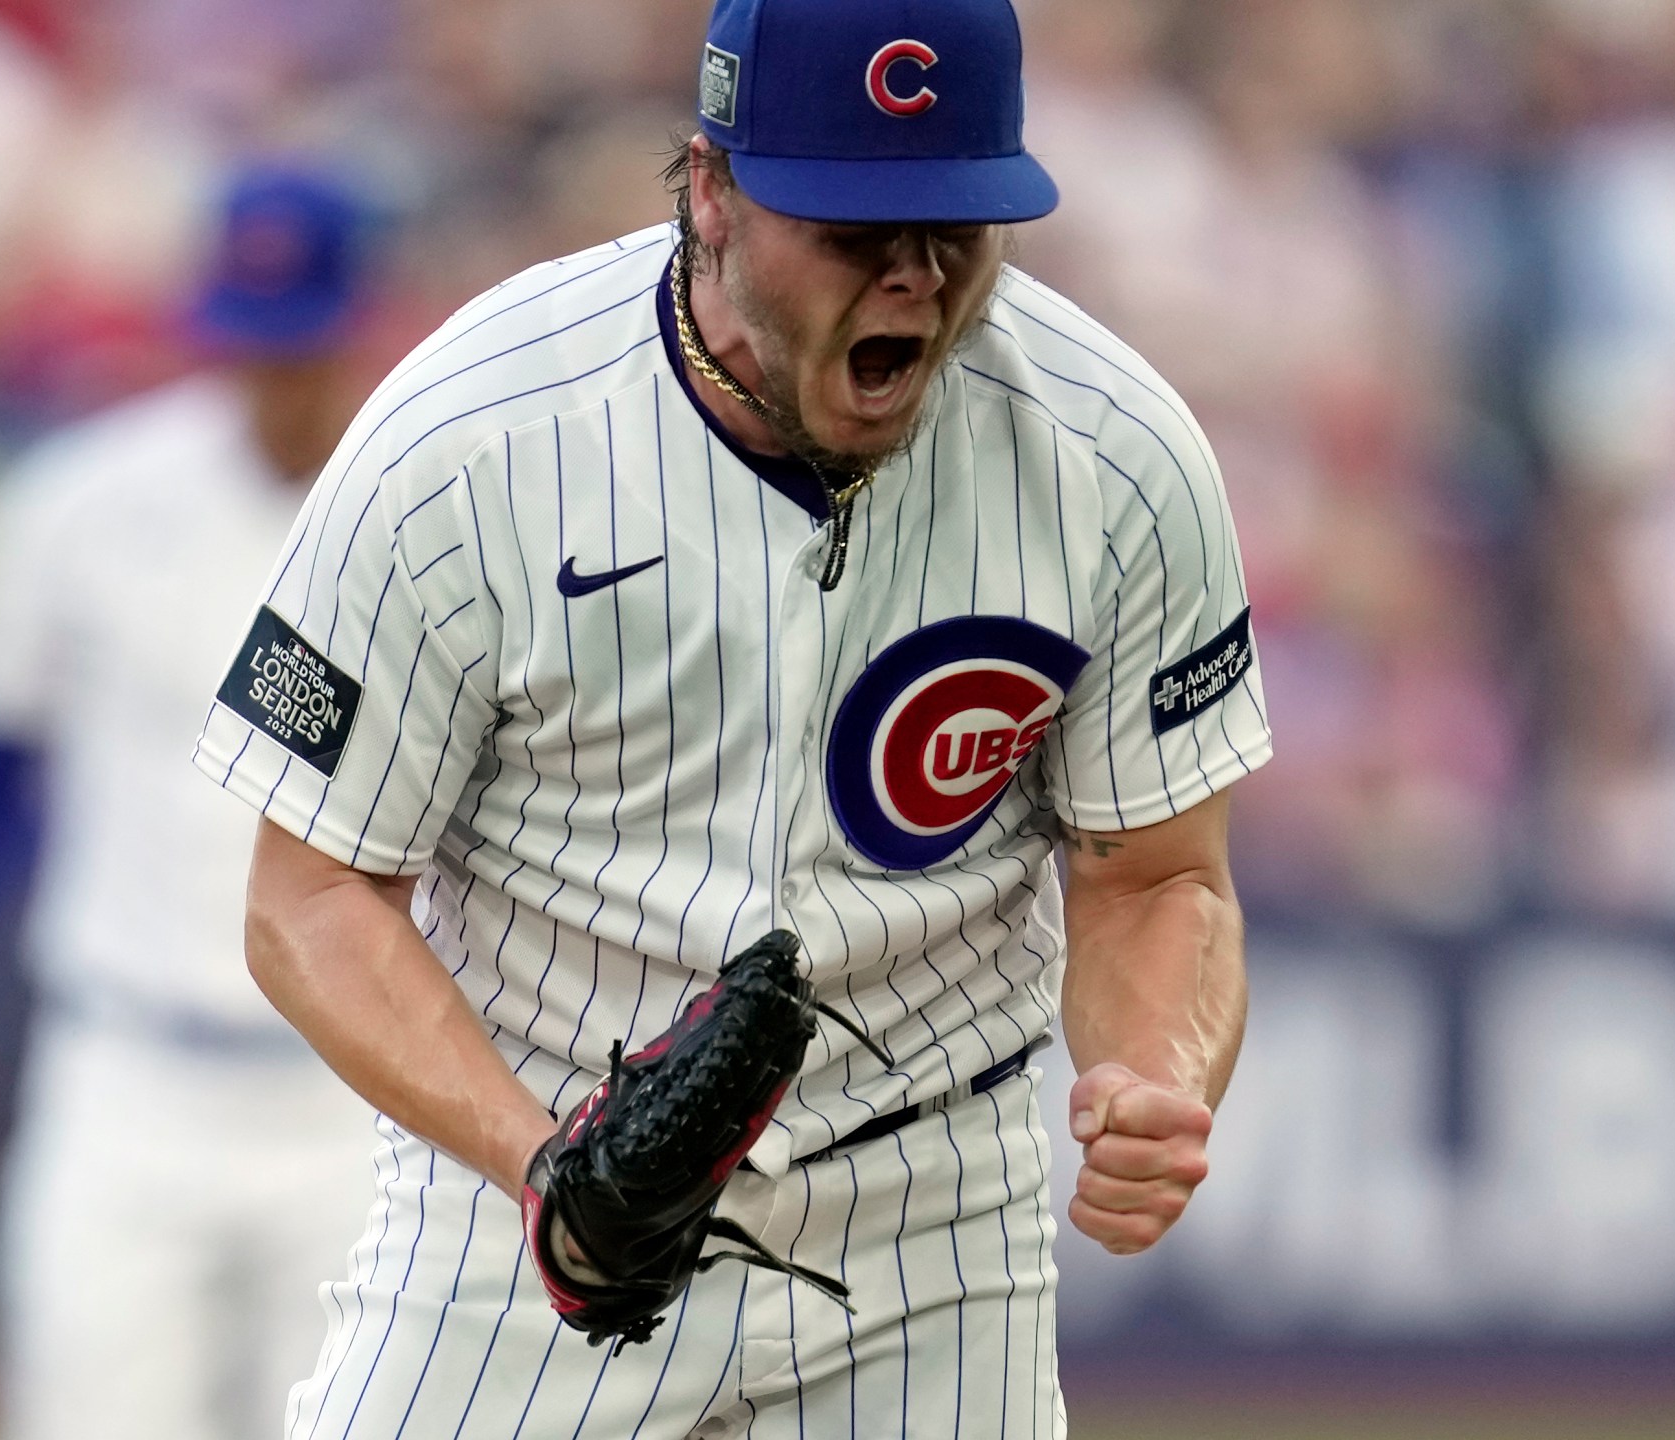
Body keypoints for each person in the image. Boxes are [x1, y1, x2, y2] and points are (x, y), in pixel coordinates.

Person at [198, 0, 1269, 1433]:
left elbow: (1158, 875)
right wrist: (549, 1171)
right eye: (851, 228)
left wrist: (1153, 1072)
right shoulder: (474, 438)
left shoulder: (1113, 456)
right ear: (709, 188)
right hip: (531, 1203)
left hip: (930, 1226)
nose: (912, 280)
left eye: (956, 229)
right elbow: (311, 893)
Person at [0, 165, 382, 1440]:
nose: (272, 380)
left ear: (356, 323)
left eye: (301, 347)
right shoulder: (88, 502)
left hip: (354, 1096)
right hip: (125, 1079)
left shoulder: (426, 506)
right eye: (248, 345)